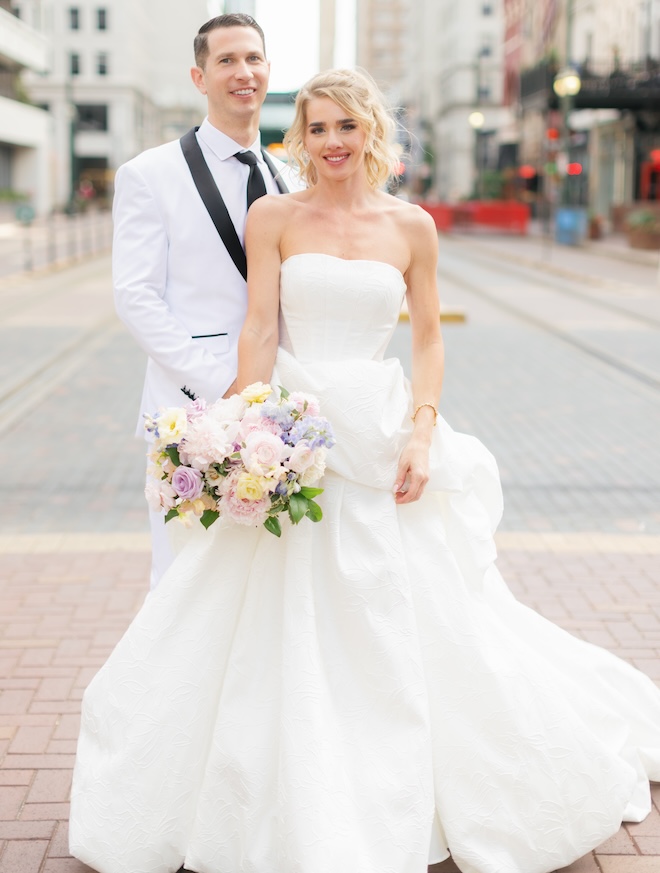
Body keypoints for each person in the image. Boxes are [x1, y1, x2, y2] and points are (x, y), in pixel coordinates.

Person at [69, 69, 660, 873]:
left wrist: (422, 431)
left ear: (370, 131)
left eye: (347, 126)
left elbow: (427, 339)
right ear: (300, 138)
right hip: (297, 430)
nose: (334, 142)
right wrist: (243, 422)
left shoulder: (413, 226)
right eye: (318, 128)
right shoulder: (272, 215)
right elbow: (261, 326)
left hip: (382, 433)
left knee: (413, 609)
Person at [112, 13, 295, 590]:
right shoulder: (150, 174)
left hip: (283, 415)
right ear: (200, 77)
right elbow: (135, 296)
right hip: (191, 410)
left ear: (268, 72)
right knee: (184, 577)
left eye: (254, 59)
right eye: (227, 61)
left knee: (270, 580)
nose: (244, 73)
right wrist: (223, 384)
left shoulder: (290, 177)